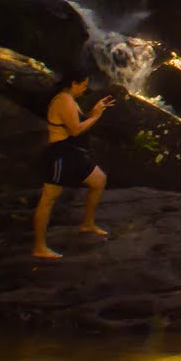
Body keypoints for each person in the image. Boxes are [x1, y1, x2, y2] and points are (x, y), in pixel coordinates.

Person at [33, 70, 115, 259]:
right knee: (49, 198)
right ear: (73, 83)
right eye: (83, 85)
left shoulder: (69, 99)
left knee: (99, 180)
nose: (85, 89)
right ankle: (39, 247)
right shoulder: (63, 100)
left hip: (69, 152)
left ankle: (87, 224)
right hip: (59, 154)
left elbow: (77, 121)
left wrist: (95, 111)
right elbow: (75, 130)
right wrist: (95, 117)